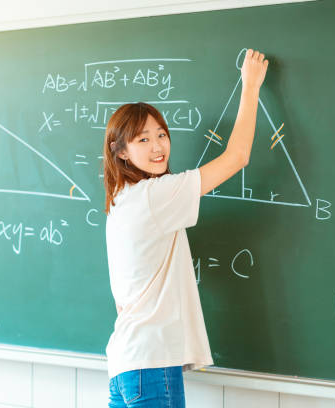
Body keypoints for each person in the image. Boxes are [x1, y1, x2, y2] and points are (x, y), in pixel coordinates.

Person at [102, 48, 268, 407]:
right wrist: (251, 86)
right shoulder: (153, 196)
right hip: (151, 363)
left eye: (161, 134)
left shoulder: (122, 197)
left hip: (128, 363)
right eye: (142, 139)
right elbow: (237, 157)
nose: (158, 146)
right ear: (122, 152)